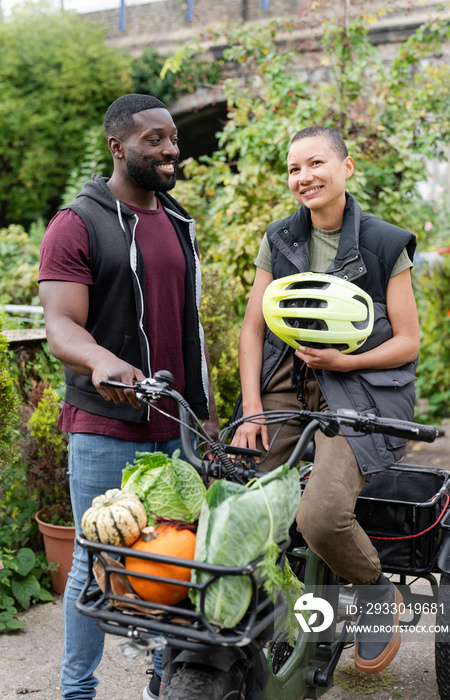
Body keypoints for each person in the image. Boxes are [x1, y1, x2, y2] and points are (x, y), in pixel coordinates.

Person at [38, 93, 219, 700]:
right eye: (155, 139)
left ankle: (163, 683)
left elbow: (188, 328)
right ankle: (77, 691)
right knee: (96, 566)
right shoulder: (78, 222)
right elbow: (61, 325)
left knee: (175, 565)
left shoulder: (177, 221)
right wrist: (101, 360)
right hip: (104, 428)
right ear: (118, 146)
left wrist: (208, 418)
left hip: (176, 425)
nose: (171, 148)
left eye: (172, 138)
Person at [232, 126, 419, 674]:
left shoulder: (385, 243)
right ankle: (275, 617)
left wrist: (347, 361)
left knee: (320, 516)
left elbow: (407, 341)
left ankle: (375, 591)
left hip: (362, 392)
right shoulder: (280, 238)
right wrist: (250, 410)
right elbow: (251, 330)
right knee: (244, 506)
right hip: (290, 386)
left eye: (315, 163)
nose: (303, 177)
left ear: (346, 167)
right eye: (293, 169)